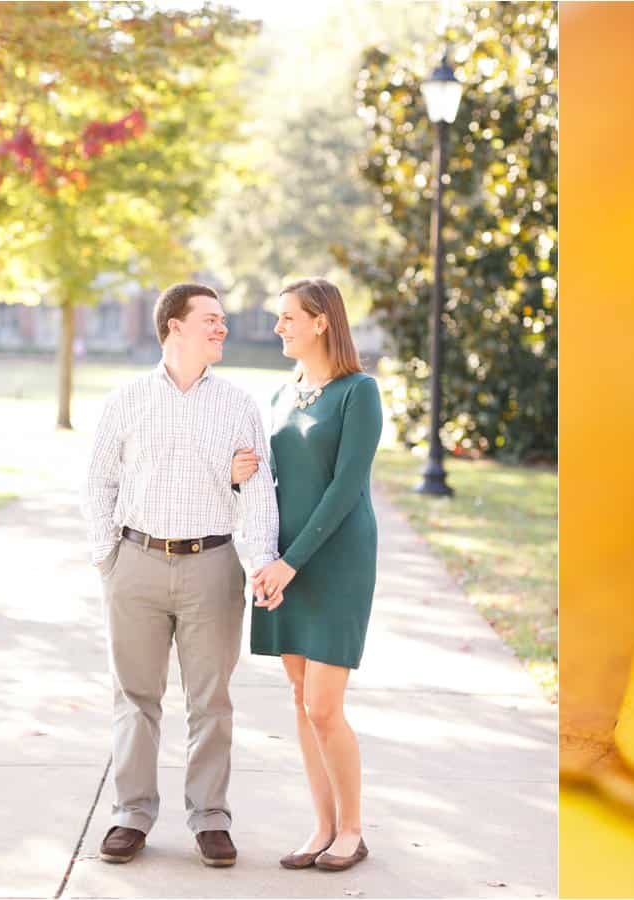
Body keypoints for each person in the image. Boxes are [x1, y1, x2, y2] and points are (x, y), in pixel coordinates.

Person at [81, 283, 279, 868]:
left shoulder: (240, 404)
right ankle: (131, 814)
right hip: (136, 562)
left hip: (213, 566)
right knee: (135, 697)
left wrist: (260, 560)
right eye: (210, 320)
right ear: (174, 327)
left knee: (211, 701)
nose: (221, 328)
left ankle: (210, 819)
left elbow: (258, 491)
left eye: (221, 320)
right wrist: (106, 558)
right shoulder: (126, 398)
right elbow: (98, 483)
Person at [231, 277, 381, 873]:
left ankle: (352, 830)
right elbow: (271, 481)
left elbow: (347, 489)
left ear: (322, 321)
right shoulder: (280, 396)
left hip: (335, 560)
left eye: (288, 317)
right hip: (284, 559)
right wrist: (240, 471)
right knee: (298, 698)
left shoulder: (358, 393)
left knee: (323, 705)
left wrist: (292, 564)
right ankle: (321, 826)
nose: (278, 328)